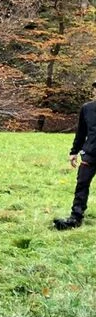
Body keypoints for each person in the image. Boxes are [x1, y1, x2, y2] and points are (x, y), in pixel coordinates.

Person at [54, 81, 96, 230]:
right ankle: (75, 218)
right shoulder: (87, 109)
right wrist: (74, 152)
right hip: (90, 154)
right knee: (82, 185)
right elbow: (81, 133)